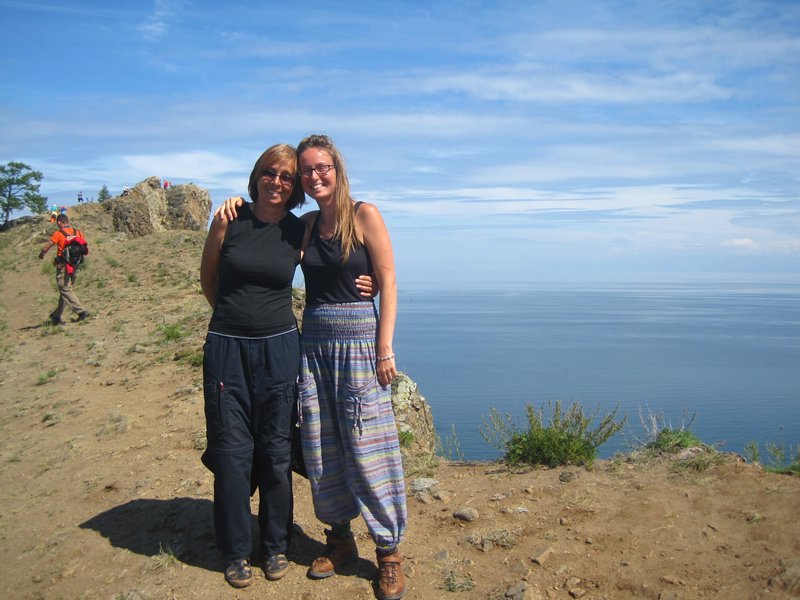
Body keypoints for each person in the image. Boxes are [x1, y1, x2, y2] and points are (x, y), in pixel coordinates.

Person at [219, 134, 407, 600]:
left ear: (337, 170)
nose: (313, 176)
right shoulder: (303, 226)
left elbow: (387, 280)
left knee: (369, 446)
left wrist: (385, 347)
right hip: (314, 344)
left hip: (361, 345)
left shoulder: (365, 214)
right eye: (306, 170)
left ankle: (388, 552)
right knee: (321, 449)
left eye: (320, 167)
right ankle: (339, 537)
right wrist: (231, 206)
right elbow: (263, 234)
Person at [38, 214, 90, 325]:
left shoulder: (58, 234)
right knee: (66, 291)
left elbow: (46, 247)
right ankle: (56, 316)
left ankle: (81, 312)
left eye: (58, 223)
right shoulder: (78, 232)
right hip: (75, 265)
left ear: (60, 223)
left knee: (65, 289)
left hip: (63, 265)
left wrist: (41, 254)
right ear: (68, 221)